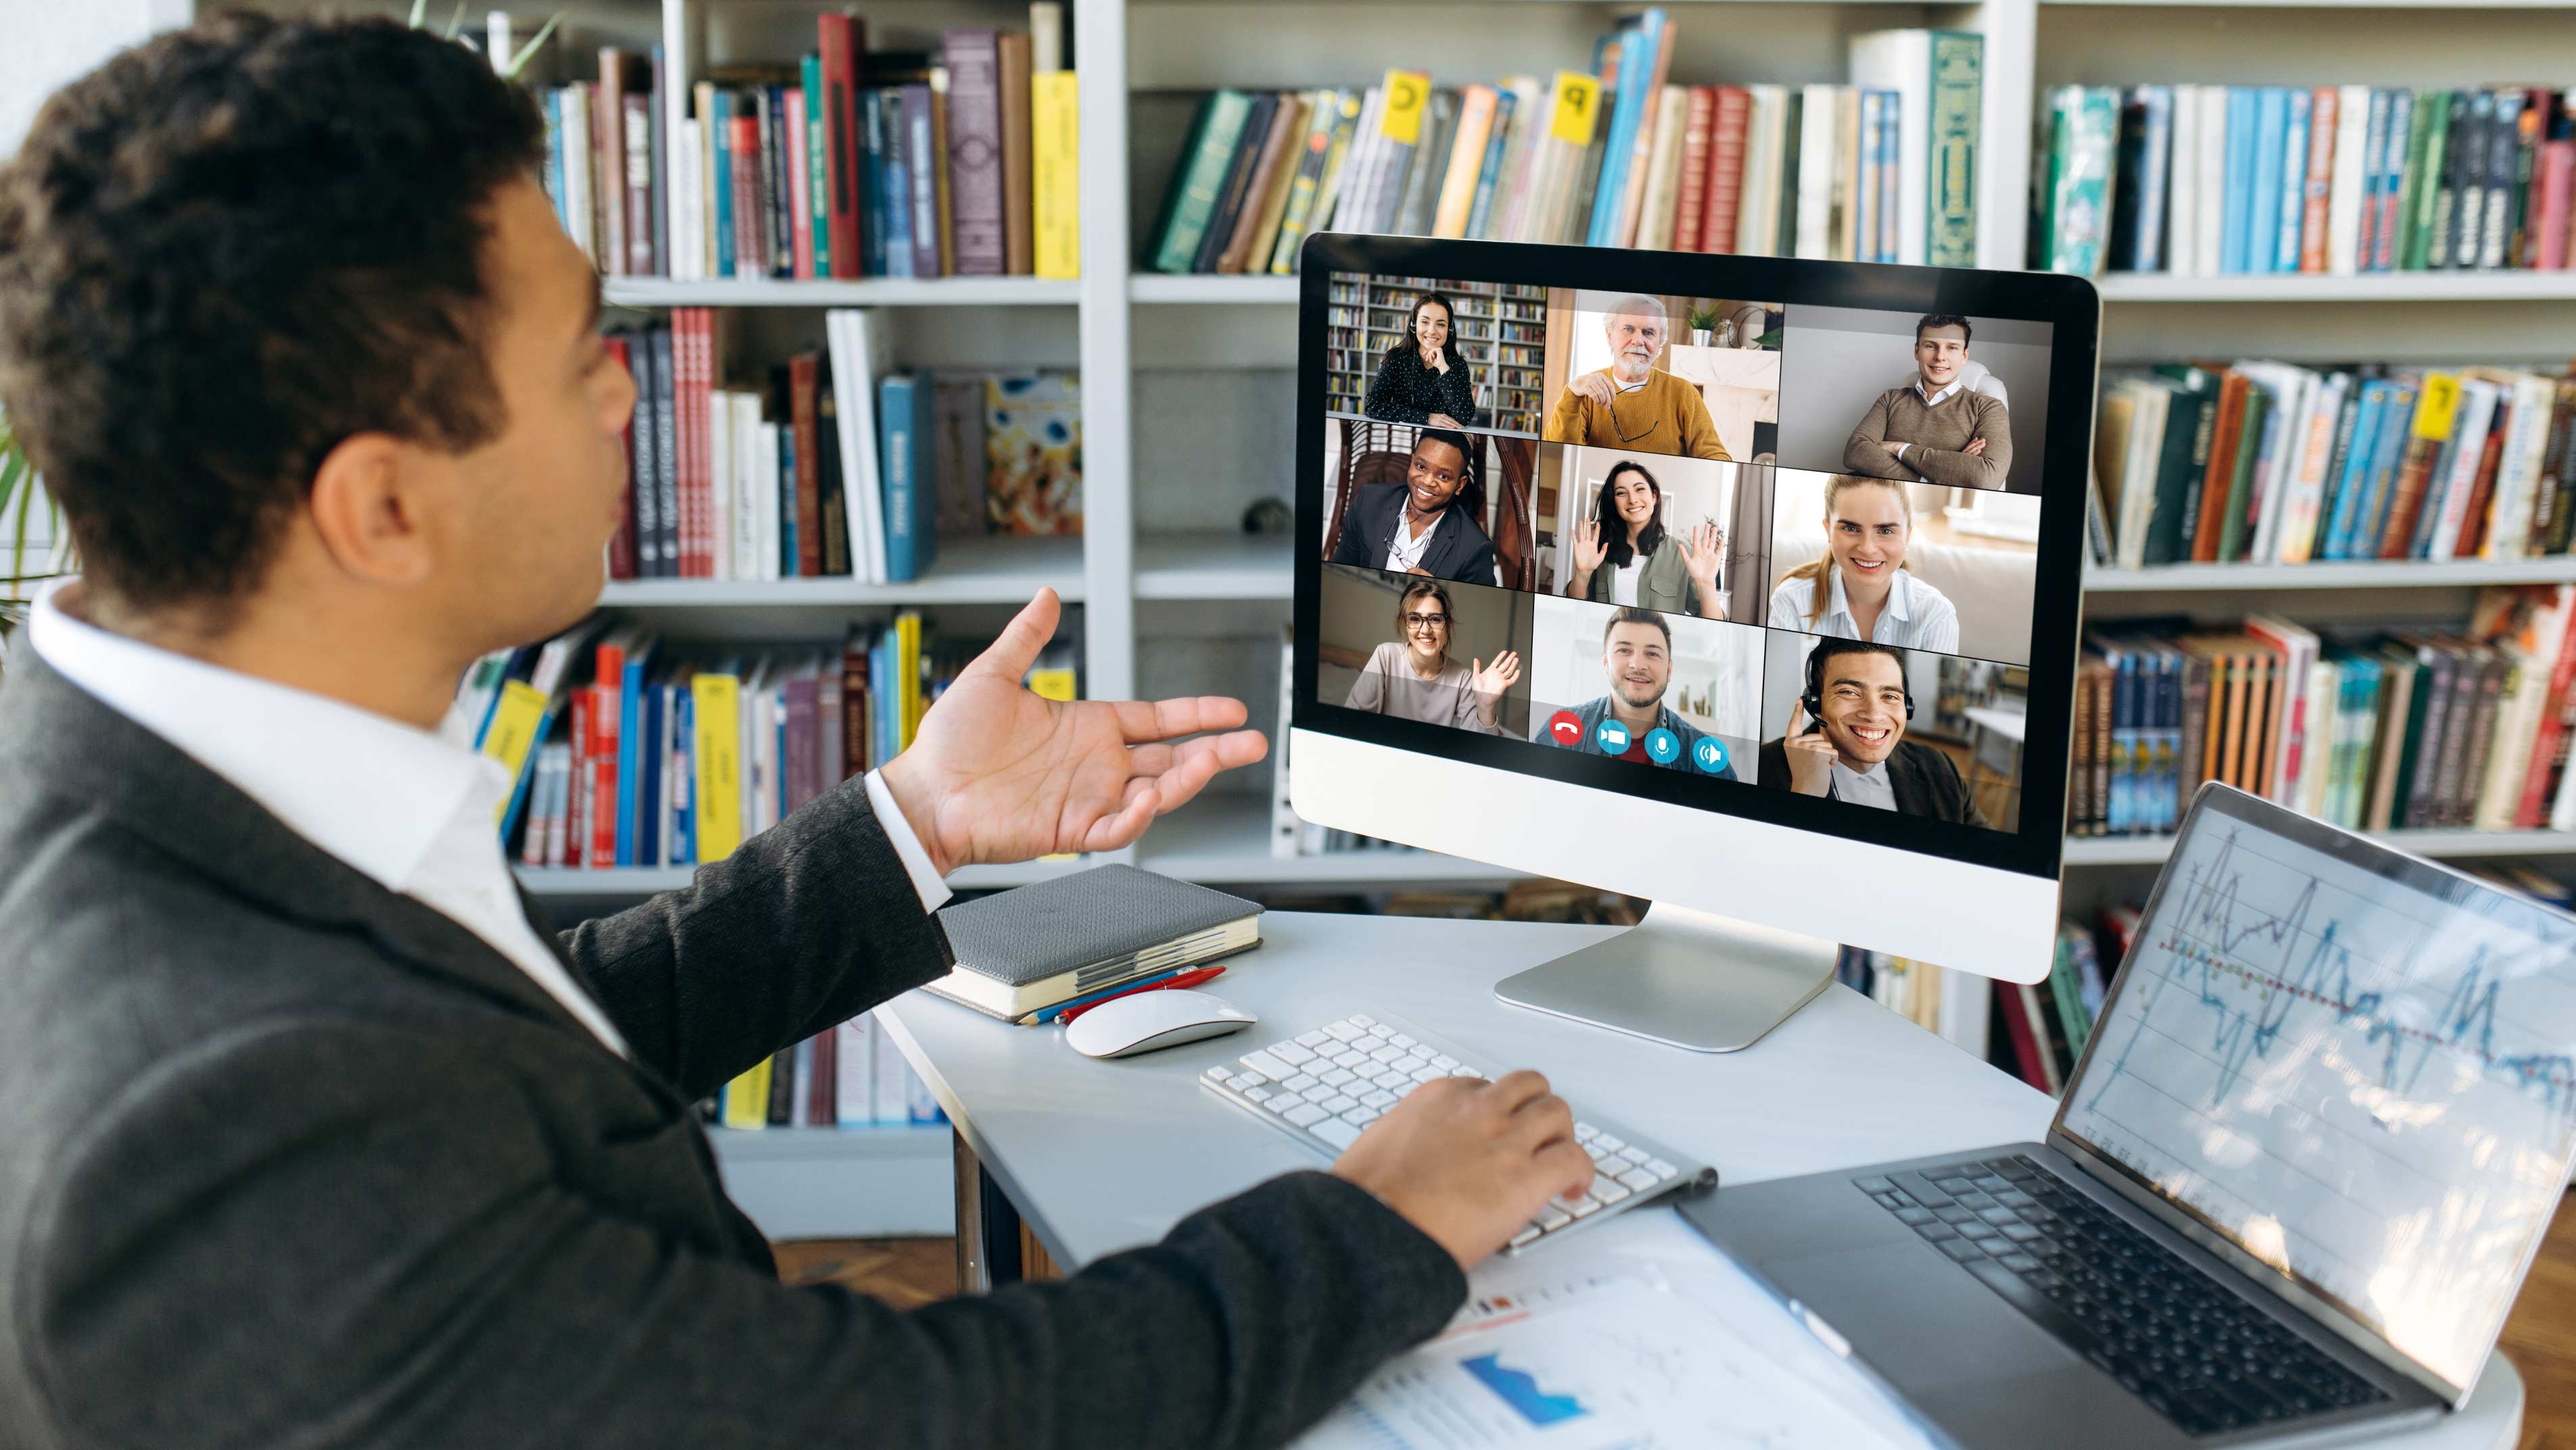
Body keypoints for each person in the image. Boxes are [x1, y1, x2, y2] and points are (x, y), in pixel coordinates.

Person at [0, 19, 1598, 1449]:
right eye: (581, 358)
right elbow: (906, 1418)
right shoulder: (212, 1122)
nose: (632, 396)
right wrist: (1373, 1219)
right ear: (383, 506)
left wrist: (914, 814)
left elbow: (498, 1065)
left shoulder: (139, 803)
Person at [1761, 639, 1987, 825]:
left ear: (1907, 708)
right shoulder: (1763, 765)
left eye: (1890, 696)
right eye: (1849, 692)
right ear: (1815, 703)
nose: (1874, 714)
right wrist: (1805, 794)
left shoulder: (1939, 767)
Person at [1767, 474, 1962, 652]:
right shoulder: (1792, 600)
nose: (1868, 548)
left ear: (1908, 535)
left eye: (1885, 531)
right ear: (1828, 531)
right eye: (1851, 528)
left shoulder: (1936, 615)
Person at [1535, 608, 1736, 779]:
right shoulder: (1561, 731)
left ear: (1669, 669)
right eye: (1624, 650)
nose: (1638, 665)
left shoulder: (1705, 759)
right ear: (1606, 663)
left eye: (1652, 653)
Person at [1542, 295, 1730, 462]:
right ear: (1610, 336)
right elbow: (1559, 454)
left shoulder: (1684, 393)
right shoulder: (1585, 393)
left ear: (1660, 343)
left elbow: (1716, 457)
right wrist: (1572, 393)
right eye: (1628, 329)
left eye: (1648, 332)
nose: (1638, 340)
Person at [1843, 314, 2015, 493]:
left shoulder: (1988, 408)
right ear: (1917, 351)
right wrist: (1943, 473)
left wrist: (1900, 448)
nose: (1940, 356)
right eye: (1931, 346)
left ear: (1964, 356)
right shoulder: (1890, 399)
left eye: (1952, 348)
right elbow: (1855, 452)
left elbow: (1986, 477)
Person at [1327, 427, 1500, 585]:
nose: (1427, 481)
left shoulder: (1475, 549)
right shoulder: (1368, 502)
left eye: (1443, 476)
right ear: (1411, 463)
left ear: (1460, 485)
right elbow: (1338, 572)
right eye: (1421, 466)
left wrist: (1439, 592)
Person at [1340, 579, 1518, 733]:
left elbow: (1481, 749)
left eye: (1435, 619)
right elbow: (1353, 722)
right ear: (1405, 623)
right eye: (1415, 619)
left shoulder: (1463, 678)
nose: (1425, 630)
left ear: (1447, 625)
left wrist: (1485, 707)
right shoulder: (1386, 656)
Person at [1563, 460, 1726, 619]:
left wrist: (1707, 585)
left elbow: (1713, 627)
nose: (1632, 499)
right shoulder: (1600, 551)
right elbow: (1575, 611)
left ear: (1654, 496)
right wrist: (1582, 574)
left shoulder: (1683, 555)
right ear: (1614, 502)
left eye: (1639, 489)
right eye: (1621, 493)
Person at [1360, 291, 1477, 427]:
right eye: (1425, 322)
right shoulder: (1397, 359)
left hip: (1441, 442)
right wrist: (1426, 418)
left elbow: (1465, 417)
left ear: (1449, 330)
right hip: (1402, 437)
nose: (1432, 330)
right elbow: (1372, 406)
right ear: (1413, 325)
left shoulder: (1458, 365)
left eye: (1441, 324)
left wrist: (1443, 368)